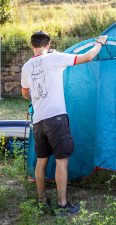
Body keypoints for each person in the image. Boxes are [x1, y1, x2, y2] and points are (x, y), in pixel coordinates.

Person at [21, 31, 107, 215]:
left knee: (41, 162)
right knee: (61, 161)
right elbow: (88, 56)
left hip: (38, 122)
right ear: (48, 44)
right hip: (56, 119)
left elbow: (25, 94)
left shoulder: (26, 66)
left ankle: (42, 200)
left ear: (32, 46)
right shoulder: (54, 58)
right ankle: (62, 205)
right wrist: (100, 43)